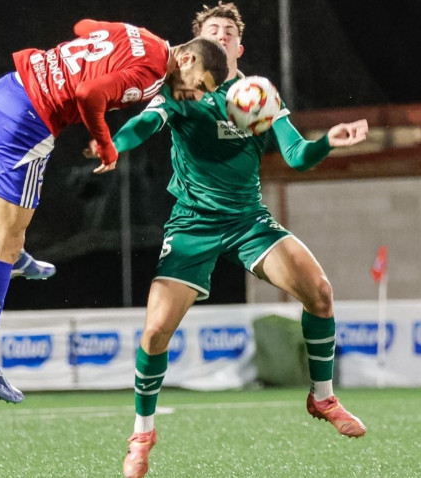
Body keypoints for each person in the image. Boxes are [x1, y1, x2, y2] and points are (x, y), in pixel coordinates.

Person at [85, 4, 367, 477]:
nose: (219, 38)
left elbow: (296, 155)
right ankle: (141, 434)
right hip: (192, 222)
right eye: (210, 32)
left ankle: (323, 398)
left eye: (228, 32)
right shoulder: (178, 89)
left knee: (319, 293)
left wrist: (327, 141)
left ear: (238, 47)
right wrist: (115, 144)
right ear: (193, 49)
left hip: (248, 220)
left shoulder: (256, 94)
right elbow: (144, 124)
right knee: (154, 333)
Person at [0, 19, 229, 404]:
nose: (195, 94)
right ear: (186, 58)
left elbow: (84, 27)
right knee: (3, 241)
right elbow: (88, 93)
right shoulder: (152, 73)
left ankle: (13, 258)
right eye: (199, 84)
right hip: (28, 119)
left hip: (3, 91)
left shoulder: (142, 36)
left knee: (9, 233)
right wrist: (106, 144)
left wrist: (91, 60)